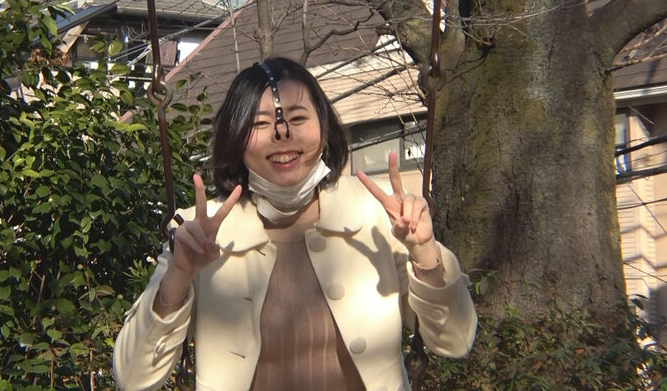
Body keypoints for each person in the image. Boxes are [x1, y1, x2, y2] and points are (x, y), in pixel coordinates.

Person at [113, 57, 477, 390]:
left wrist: (424, 252)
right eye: (260, 123)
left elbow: (456, 340)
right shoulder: (199, 233)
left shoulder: (378, 215)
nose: (282, 133)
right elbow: (132, 378)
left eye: (298, 118)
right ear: (236, 139)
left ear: (324, 128)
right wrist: (179, 276)